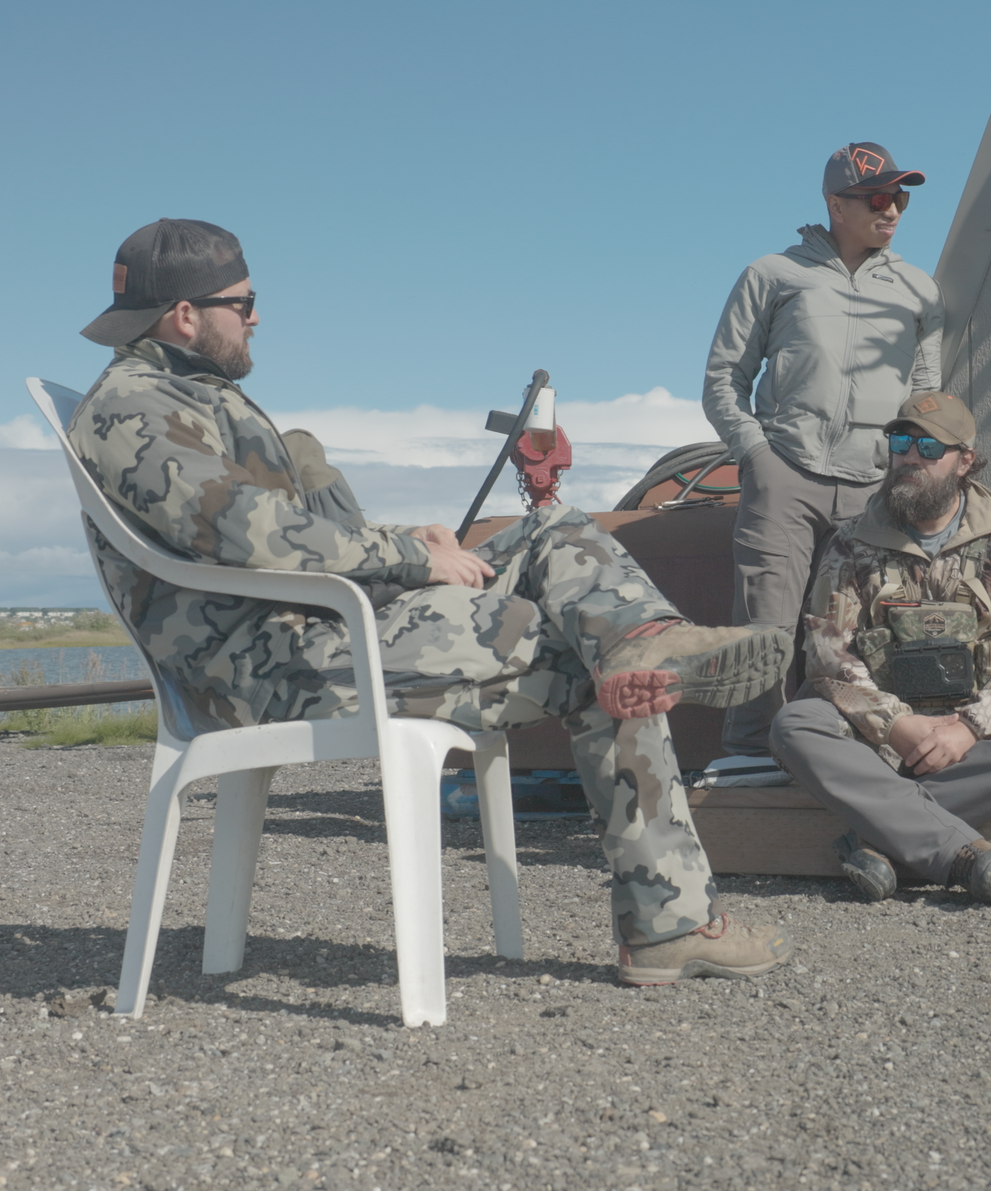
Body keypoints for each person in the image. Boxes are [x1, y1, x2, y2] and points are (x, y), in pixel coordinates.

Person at [65, 217, 793, 985]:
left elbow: (288, 530)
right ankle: (669, 920)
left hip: (315, 628)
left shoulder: (186, 395)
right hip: (269, 667)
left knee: (556, 531)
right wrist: (415, 559)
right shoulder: (132, 409)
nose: (257, 316)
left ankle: (652, 640)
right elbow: (251, 535)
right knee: (584, 652)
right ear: (185, 314)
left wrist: (407, 539)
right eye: (244, 302)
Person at [769, 391, 991, 904]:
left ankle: (877, 838)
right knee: (795, 725)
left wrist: (969, 727)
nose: (910, 456)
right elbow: (828, 656)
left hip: (972, 738)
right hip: (876, 740)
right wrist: (894, 725)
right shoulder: (851, 543)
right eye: (901, 441)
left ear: (965, 461)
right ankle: (955, 853)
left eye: (929, 447)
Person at [701, 142, 945, 776]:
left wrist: (910, 469)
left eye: (901, 197)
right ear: (835, 204)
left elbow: (926, 398)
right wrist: (755, 453)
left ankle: (852, 757)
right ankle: (751, 759)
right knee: (768, 625)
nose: (891, 209)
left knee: (866, 630)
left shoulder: (919, 290)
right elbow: (725, 377)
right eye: (877, 197)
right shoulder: (774, 274)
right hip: (786, 471)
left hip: (874, 487)